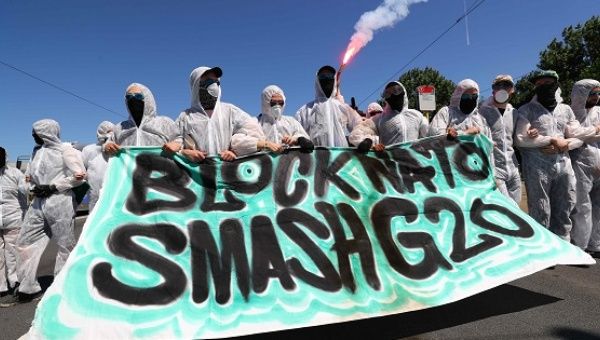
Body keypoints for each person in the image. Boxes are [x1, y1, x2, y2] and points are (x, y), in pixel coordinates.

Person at [1, 119, 86, 306]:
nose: (33, 136)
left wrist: (54, 186)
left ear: (47, 133)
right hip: (38, 202)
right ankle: (27, 286)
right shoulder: (36, 152)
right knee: (24, 242)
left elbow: (79, 176)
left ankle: (63, 285)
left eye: (36, 132)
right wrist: (33, 188)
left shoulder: (66, 150)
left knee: (65, 244)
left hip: (60, 202)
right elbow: (30, 176)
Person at [516, 70, 600, 240]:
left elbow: (577, 135)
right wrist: (552, 140)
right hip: (537, 169)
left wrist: (564, 145)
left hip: (563, 165)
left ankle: (563, 245)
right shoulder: (527, 110)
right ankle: (543, 246)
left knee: (565, 205)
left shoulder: (565, 110)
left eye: (547, 83)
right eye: (539, 85)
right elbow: (520, 139)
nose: (542, 87)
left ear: (555, 84)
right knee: (540, 207)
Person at [176, 66, 266, 162]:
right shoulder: (185, 117)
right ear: (196, 85)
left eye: (216, 82)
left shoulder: (231, 111)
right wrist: (184, 152)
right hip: (196, 174)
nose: (214, 85)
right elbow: (171, 145)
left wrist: (234, 152)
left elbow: (255, 135)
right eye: (208, 81)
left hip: (225, 173)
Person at [479, 75, 523, 203]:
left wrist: (531, 130)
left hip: (513, 167)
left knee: (517, 208)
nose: (502, 88)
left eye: (507, 85)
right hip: (495, 169)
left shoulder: (514, 112)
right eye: (499, 85)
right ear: (493, 90)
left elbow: (517, 136)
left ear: (512, 90)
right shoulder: (483, 111)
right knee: (507, 208)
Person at [349, 81, 428, 152]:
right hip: (391, 165)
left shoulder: (416, 115)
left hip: (414, 164)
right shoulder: (379, 119)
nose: (392, 95)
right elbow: (355, 134)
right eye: (387, 93)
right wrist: (370, 143)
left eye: (396, 90)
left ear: (403, 93)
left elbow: (428, 140)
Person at [104, 83, 181, 155]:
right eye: (129, 97)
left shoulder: (165, 123)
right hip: (130, 169)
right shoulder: (120, 128)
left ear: (148, 99)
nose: (133, 100)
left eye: (138, 96)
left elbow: (179, 141)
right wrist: (107, 146)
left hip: (160, 168)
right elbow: (107, 145)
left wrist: (177, 145)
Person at [569, 79, 600, 254]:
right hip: (580, 163)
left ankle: (595, 244)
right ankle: (580, 246)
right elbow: (572, 134)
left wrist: (585, 135)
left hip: (598, 164)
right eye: (592, 93)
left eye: (598, 93)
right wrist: (595, 131)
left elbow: (578, 135)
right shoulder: (570, 112)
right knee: (582, 205)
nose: (596, 97)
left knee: (598, 206)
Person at [295, 65, 362, 147]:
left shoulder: (343, 108)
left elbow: (360, 126)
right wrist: (300, 139)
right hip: (314, 157)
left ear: (333, 80)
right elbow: (295, 131)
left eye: (330, 76)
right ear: (317, 81)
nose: (326, 79)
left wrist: (361, 141)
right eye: (323, 76)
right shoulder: (305, 110)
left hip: (340, 156)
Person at [0, 147, 28, 299]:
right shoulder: (15, 173)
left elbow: (26, 190)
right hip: (12, 218)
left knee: (11, 252)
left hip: (13, 219)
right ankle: (2, 286)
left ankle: (14, 282)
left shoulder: (15, 173)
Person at [257, 85, 314, 151]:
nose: (277, 106)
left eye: (281, 103)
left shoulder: (291, 121)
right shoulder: (256, 123)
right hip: (265, 160)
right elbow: (247, 144)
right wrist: (266, 144)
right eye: (273, 103)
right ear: (265, 102)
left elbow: (305, 139)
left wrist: (296, 139)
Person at [81, 121, 114, 212]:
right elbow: (82, 170)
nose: (109, 134)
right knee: (95, 216)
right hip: (95, 192)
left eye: (112, 131)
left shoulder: (117, 148)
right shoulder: (89, 149)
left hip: (113, 190)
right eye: (108, 131)